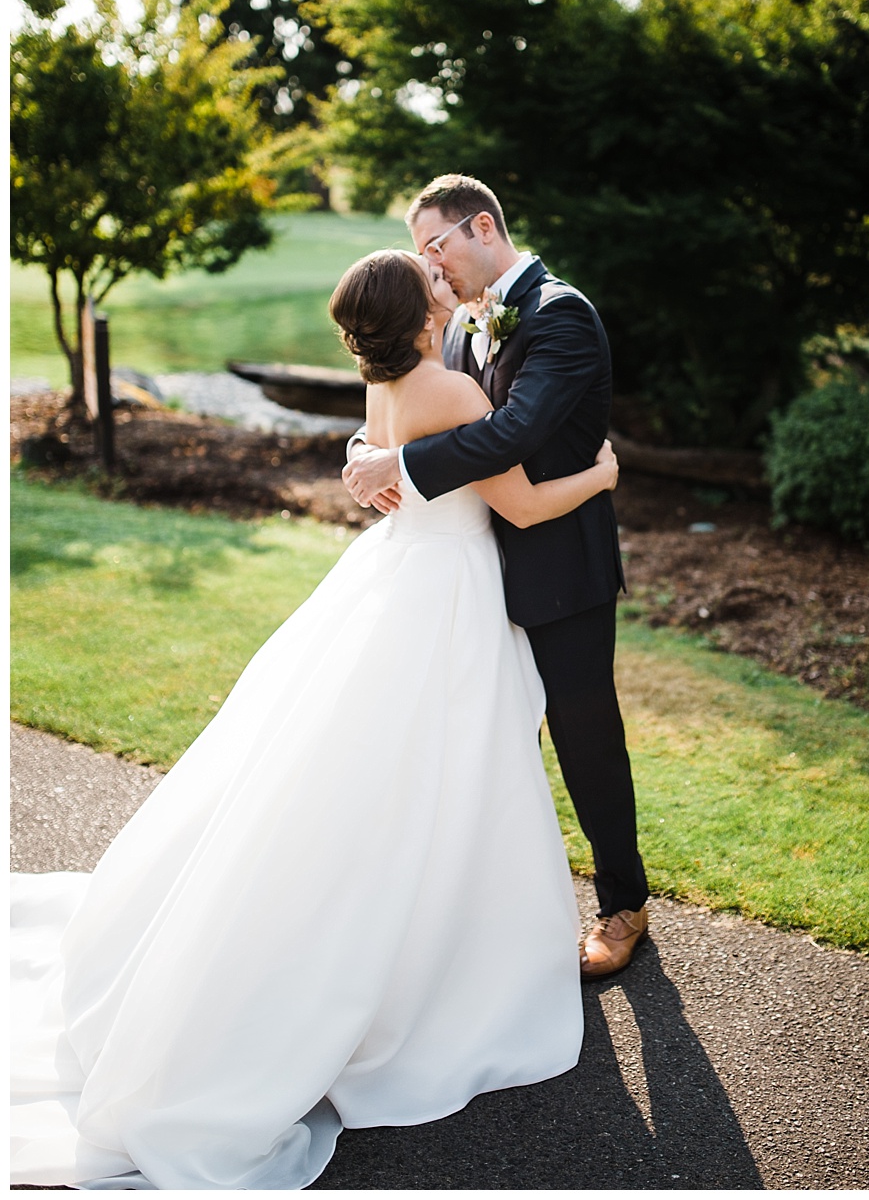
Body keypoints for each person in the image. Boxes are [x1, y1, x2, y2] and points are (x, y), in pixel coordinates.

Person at [10, 249, 620, 1191]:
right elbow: (529, 505)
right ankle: (439, 971)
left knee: (380, 780)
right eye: (431, 287)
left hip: (398, 579)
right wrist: (602, 476)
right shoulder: (452, 394)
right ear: (418, 316)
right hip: (447, 595)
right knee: (450, 779)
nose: (444, 286)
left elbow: (407, 475)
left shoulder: (385, 393)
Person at [343, 175, 649, 979]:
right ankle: (481, 913)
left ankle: (624, 905)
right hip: (469, 568)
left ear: (482, 227)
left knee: (585, 737)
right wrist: (368, 454)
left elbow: (514, 429)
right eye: (419, 254)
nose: (429, 265)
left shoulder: (562, 315)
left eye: (435, 245)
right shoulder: (452, 330)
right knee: (482, 746)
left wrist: (397, 466)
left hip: (557, 564)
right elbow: (421, 401)